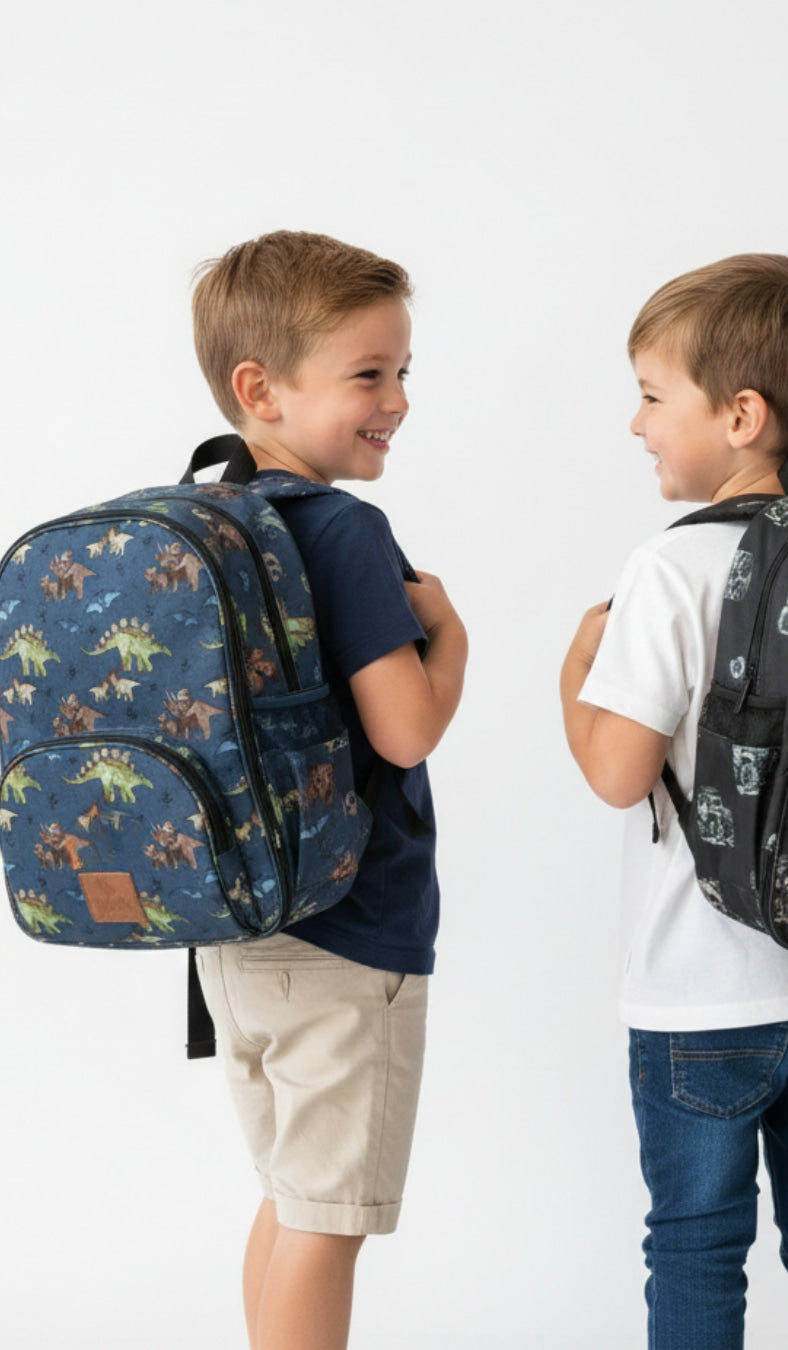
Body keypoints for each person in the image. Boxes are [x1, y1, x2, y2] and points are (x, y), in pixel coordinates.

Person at [560, 254, 788, 1349]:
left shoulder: (674, 567)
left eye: (655, 397)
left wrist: (574, 671)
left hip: (704, 996)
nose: (636, 423)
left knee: (698, 1244)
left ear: (742, 415)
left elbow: (618, 772)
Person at [190, 231, 468, 1350]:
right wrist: (450, 635)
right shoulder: (345, 532)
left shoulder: (207, 514)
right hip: (350, 932)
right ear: (261, 388)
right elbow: (405, 731)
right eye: (369, 373)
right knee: (326, 1219)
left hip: (234, 922)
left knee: (287, 1198)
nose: (396, 398)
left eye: (403, 372)